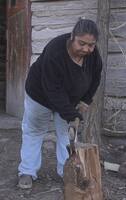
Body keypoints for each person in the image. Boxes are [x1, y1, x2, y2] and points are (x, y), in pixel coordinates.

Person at [17, 18, 102, 189]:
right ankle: (27, 171)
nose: (86, 49)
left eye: (91, 45)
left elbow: (96, 77)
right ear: (72, 36)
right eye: (82, 43)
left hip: (69, 99)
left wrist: (85, 100)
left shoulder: (93, 56)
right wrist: (71, 114)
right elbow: (52, 90)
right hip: (40, 95)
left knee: (67, 135)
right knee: (34, 131)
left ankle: (67, 173)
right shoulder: (55, 51)